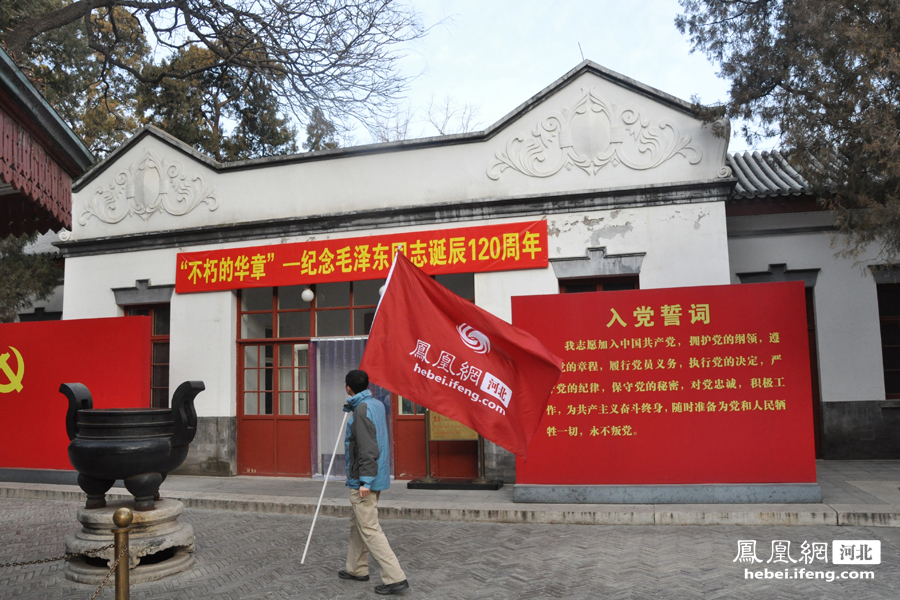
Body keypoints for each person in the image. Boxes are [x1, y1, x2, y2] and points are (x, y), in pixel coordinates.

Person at [338, 369, 409, 595]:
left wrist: (365, 481)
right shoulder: (375, 404)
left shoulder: (362, 409)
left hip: (365, 478)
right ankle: (356, 569)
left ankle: (395, 577)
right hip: (374, 474)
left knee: (369, 527)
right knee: (357, 524)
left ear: (348, 388)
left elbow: (368, 447)